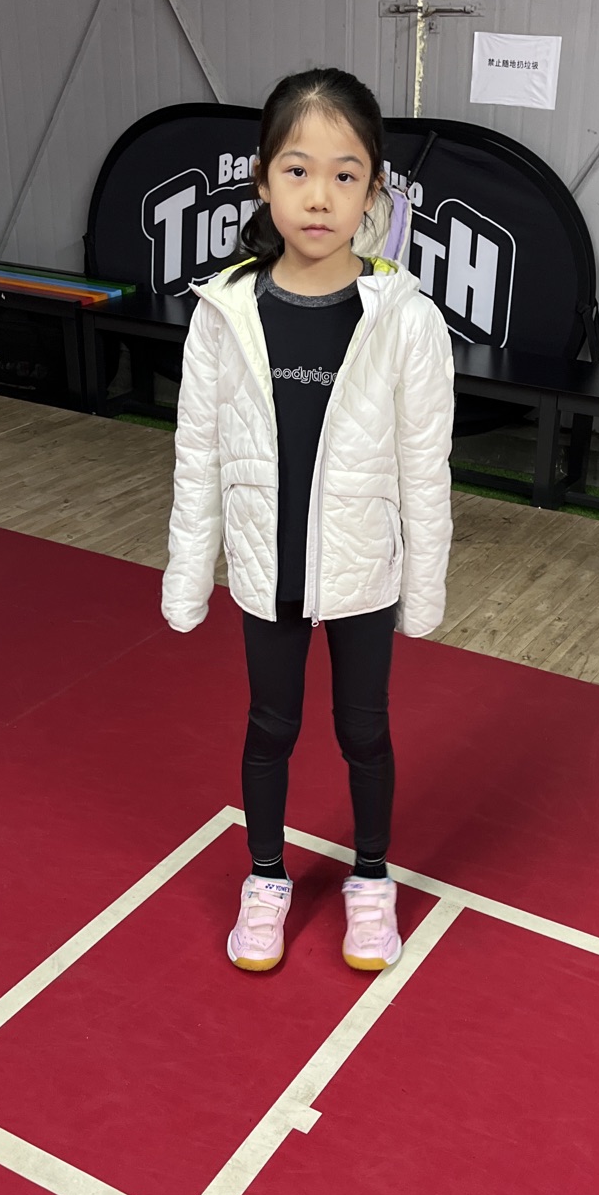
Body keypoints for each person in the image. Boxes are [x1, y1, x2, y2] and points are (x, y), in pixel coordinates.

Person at [161, 68, 454, 974]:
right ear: (261, 180)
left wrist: (422, 589)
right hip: (266, 569)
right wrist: (187, 577)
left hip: (362, 570)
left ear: (373, 189)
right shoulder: (224, 311)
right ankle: (265, 878)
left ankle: (370, 880)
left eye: (343, 173)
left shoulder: (405, 320)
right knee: (270, 726)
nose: (319, 196)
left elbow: (425, 469)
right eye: (297, 170)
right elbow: (197, 456)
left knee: (364, 731)